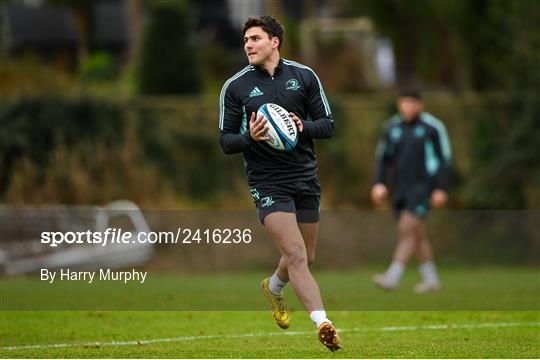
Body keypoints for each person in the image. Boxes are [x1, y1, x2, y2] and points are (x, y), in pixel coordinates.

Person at [218, 15, 342, 352]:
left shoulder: (304, 77)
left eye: (255, 39)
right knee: (296, 253)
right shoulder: (237, 86)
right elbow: (226, 141)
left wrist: (302, 125)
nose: (248, 45)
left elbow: (328, 124)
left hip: (304, 175)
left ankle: (273, 287)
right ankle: (324, 323)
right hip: (267, 181)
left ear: (275, 41)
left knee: (308, 254)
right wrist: (250, 136)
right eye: (246, 41)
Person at [371, 88, 452, 293]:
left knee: (408, 229)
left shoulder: (433, 127)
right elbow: (382, 159)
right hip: (400, 189)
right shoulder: (391, 127)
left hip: (424, 188)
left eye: (411, 103)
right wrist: (379, 183)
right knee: (418, 235)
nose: (407, 107)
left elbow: (444, 160)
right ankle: (431, 279)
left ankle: (392, 277)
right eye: (403, 103)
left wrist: (441, 188)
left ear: (420, 105)